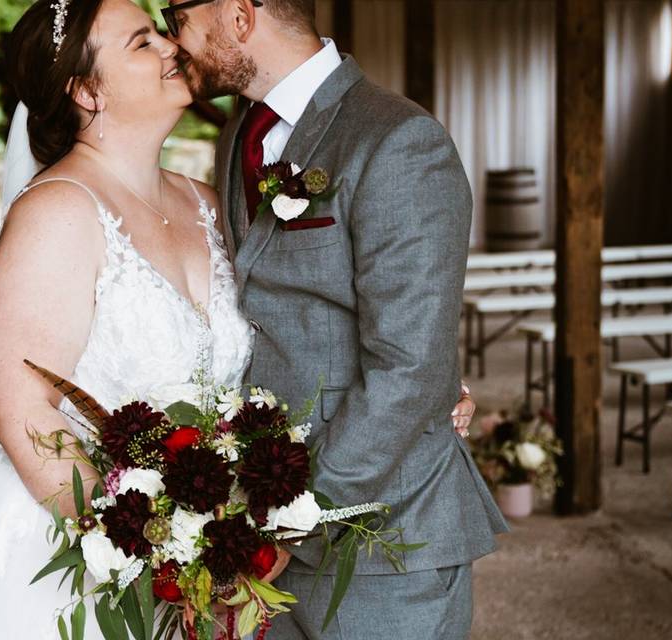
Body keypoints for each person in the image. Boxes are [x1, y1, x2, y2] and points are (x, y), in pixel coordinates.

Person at [0, 1, 476, 638]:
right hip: (117, 548)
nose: (170, 46)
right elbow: (15, 405)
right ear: (88, 91)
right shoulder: (56, 214)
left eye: (166, 24)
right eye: (141, 41)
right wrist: (143, 542)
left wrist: (430, 380)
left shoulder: (204, 198)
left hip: (233, 541)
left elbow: (307, 318)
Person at [164, 1, 508, 638]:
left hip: (385, 542)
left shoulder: (397, 139)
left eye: (177, 12)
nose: (171, 35)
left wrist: (289, 516)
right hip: (264, 537)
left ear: (239, 15)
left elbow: (409, 368)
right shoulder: (237, 134)